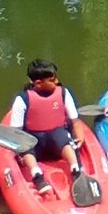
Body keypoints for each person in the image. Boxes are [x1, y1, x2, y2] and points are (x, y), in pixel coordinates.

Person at [9, 58, 88, 195]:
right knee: (25, 143)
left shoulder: (63, 93)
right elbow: (16, 132)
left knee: (61, 136)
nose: (56, 81)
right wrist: (17, 151)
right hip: (35, 145)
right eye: (51, 80)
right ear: (38, 83)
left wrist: (80, 135)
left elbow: (75, 119)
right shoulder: (22, 100)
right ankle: (37, 175)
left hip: (57, 143)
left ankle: (75, 169)